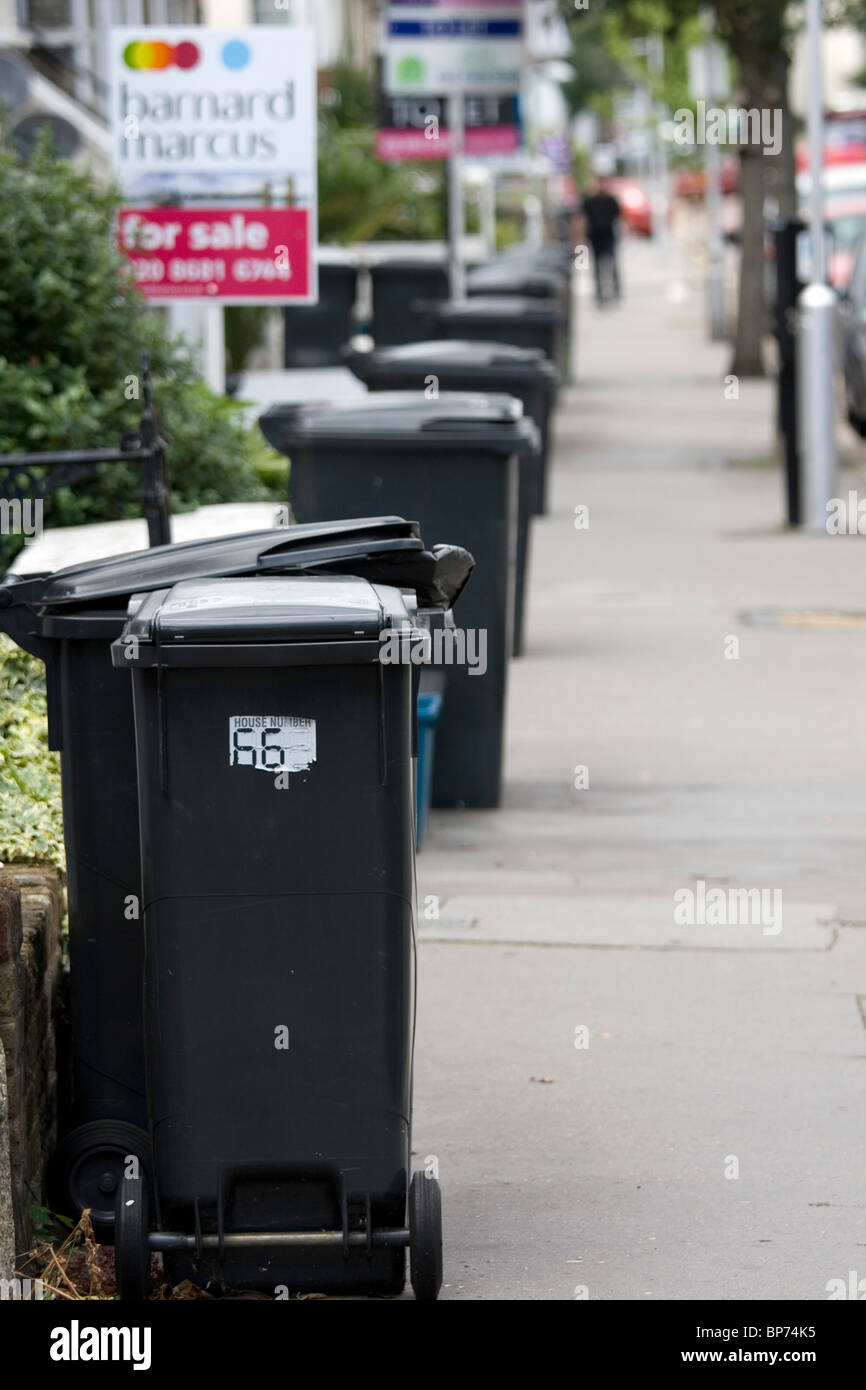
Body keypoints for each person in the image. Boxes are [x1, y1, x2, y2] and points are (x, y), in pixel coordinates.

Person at [579, 177, 622, 306]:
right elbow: (581, 219)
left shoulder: (611, 200)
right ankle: (599, 294)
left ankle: (616, 291)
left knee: (612, 264)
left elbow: (619, 217)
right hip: (595, 237)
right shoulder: (589, 201)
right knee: (597, 267)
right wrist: (579, 239)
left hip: (609, 236)